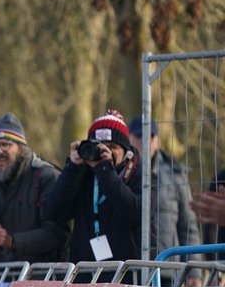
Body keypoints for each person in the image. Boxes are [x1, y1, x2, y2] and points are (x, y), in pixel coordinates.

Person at [0, 112, 68, 263]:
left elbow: (58, 233)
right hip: (2, 277)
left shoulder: (46, 177)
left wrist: (13, 242)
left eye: (5, 145)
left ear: (21, 148)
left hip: (41, 277)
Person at [45, 110, 142, 273]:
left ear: (125, 150)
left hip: (125, 273)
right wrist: (72, 168)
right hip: (84, 272)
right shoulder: (81, 172)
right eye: (100, 147)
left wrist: (105, 170)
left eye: (113, 147)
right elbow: (54, 213)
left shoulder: (138, 173)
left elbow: (134, 213)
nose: (107, 151)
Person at [128, 115, 202, 262]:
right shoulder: (120, 174)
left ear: (158, 141)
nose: (145, 140)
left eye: (151, 135)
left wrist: (194, 270)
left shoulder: (176, 175)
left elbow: (188, 227)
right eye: (139, 135)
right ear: (129, 138)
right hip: (130, 268)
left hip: (168, 267)